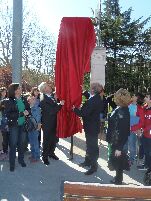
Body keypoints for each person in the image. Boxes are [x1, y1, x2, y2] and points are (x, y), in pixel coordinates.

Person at [73, 83, 104, 175]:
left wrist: (74, 109)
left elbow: (83, 113)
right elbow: (89, 96)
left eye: (90, 88)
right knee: (89, 146)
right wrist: (84, 91)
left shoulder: (93, 101)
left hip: (91, 127)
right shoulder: (96, 98)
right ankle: (87, 161)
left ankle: (93, 166)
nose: (89, 89)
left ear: (93, 90)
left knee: (92, 147)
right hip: (92, 126)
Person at [106, 88, 131, 184]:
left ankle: (118, 180)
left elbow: (124, 131)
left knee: (118, 162)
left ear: (120, 98)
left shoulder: (123, 112)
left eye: (116, 96)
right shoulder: (119, 108)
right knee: (117, 161)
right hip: (115, 140)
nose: (114, 97)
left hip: (118, 142)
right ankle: (118, 178)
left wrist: (119, 148)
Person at [4, 83, 30, 171]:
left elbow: (28, 108)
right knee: (13, 144)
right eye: (19, 88)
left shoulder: (23, 98)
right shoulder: (9, 100)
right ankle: (12, 163)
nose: (21, 89)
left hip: (23, 124)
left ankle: (21, 160)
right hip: (14, 126)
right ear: (14, 90)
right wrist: (22, 113)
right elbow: (8, 114)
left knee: (22, 144)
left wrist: (27, 112)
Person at [38, 82, 65, 165]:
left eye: (48, 86)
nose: (49, 87)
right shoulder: (43, 98)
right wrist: (60, 104)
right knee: (47, 140)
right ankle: (45, 156)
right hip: (47, 123)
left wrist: (57, 101)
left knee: (53, 139)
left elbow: (53, 106)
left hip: (53, 121)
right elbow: (51, 111)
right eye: (47, 87)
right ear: (44, 89)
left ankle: (51, 153)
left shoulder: (50, 96)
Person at [27, 95, 41, 163]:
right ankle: (33, 154)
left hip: (34, 128)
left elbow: (37, 119)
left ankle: (36, 156)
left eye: (31, 100)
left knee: (35, 143)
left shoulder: (36, 108)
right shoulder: (30, 108)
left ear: (34, 101)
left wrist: (38, 125)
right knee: (32, 142)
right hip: (30, 128)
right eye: (29, 100)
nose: (29, 101)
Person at [0, 87, 9, 160]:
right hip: (2, 120)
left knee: (4, 136)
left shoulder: (7, 100)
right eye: (3, 92)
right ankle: (3, 151)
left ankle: (5, 151)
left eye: (5, 92)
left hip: (4, 120)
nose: (4, 93)